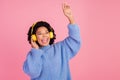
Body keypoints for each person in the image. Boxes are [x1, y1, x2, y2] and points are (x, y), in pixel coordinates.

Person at [23, 3, 81, 80]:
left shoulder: (61, 48)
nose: (44, 36)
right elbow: (32, 72)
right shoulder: (33, 55)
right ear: (34, 37)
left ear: (50, 34)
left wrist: (71, 18)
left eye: (46, 32)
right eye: (40, 33)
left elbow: (75, 40)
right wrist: (36, 51)